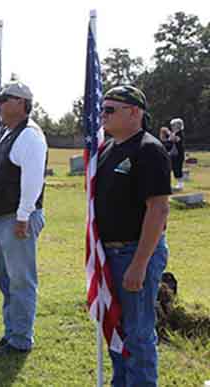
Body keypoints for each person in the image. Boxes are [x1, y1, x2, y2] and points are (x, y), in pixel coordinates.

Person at [96, 85, 171, 387]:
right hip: (109, 254)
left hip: (134, 253)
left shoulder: (149, 149)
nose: (103, 115)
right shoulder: (109, 149)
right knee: (116, 327)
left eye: (110, 109)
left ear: (134, 113)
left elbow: (158, 210)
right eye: (102, 109)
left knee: (138, 333)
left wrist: (140, 263)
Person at [0, 81, 47, 354]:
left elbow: (32, 179)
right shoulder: (9, 133)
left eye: (5, 99)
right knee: (7, 280)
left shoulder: (29, 135)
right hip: (2, 217)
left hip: (16, 218)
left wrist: (23, 216)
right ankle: (12, 333)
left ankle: (20, 339)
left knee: (21, 281)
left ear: (21, 103)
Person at [168, 118, 186, 190]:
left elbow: (176, 139)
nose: (172, 126)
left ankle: (180, 184)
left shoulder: (180, 133)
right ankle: (177, 183)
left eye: (173, 125)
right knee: (173, 168)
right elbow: (169, 140)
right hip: (173, 154)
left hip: (179, 154)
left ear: (178, 125)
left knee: (178, 168)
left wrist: (169, 133)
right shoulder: (174, 133)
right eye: (172, 125)